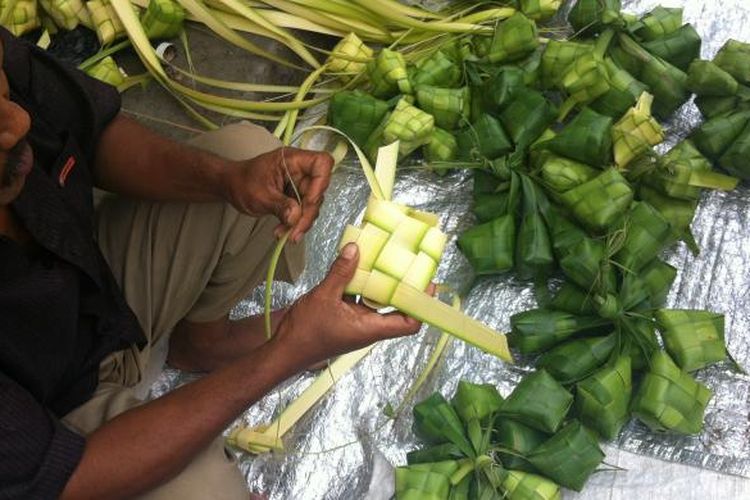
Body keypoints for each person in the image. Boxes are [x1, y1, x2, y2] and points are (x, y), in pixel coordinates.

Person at [0, 27, 423, 499]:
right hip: (52, 418)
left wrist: (229, 179)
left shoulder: (8, 97)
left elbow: (94, 131)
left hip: (91, 293)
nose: (17, 122)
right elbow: (73, 481)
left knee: (256, 169)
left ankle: (201, 342)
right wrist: (284, 352)